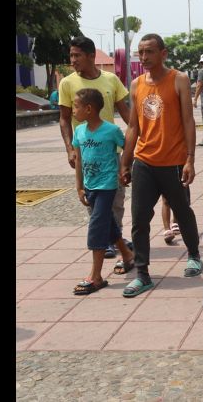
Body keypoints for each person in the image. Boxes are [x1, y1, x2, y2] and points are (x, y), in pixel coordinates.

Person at [119, 33, 203, 297]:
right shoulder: (136, 84)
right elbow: (133, 125)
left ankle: (193, 255)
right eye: (141, 52)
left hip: (174, 162)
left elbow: (189, 121)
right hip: (144, 161)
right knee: (140, 219)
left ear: (163, 54)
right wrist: (126, 161)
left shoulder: (178, 79)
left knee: (183, 211)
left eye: (149, 52)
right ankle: (143, 274)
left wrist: (190, 158)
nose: (144, 57)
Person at [59, 36, 132, 262]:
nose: (73, 60)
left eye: (77, 55)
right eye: (71, 55)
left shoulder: (111, 79)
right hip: (86, 154)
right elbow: (63, 119)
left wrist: (138, 141)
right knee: (92, 199)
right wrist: (70, 149)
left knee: (116, 201)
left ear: (91, 56)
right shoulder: (67, 83)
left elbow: (127, 114)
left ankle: (111, 239)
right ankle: (108, 240)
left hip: (111, 153)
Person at [71, 88, 134, 294]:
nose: (73, 110)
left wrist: (124, 169)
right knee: (108, 224)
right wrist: (79, 187)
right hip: (90, 186)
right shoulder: (79, 131)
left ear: (89, 109)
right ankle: (127, 256)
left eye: (76, 106)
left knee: (97, 225)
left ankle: (96, 276)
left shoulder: (111, 130)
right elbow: (79, 160)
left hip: (107, 186)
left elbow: (128, 148)